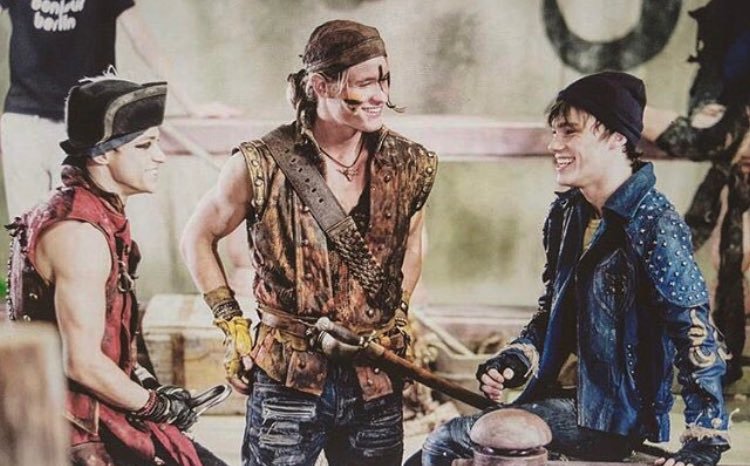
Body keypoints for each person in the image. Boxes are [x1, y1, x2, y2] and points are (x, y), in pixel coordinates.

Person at [421, 72, 730, 466]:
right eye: (555, 132)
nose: (554, 144)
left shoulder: (655, 222)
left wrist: (705, 440)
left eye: (569, 132)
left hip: (611, 418)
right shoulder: (568, 214)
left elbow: (695, 335)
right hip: (555, 398)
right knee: (443, 447)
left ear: (617, 137)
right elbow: (552, 313)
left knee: (448, 441)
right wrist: (514, 361)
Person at [180, 19, 438, 466]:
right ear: (320, 85)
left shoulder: (409, 163)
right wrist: (232, 324)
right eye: (365, 83)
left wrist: (398, 312)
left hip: (375, 374)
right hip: (288, 374)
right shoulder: (261, 163)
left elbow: (412, 239)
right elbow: (197, 237)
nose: (379, 95)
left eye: (384, 81)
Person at [6, 76, 228, 466]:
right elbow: (81, 362)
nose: (159, 157)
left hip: (96, 406)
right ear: (101, 155)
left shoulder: (95, 212)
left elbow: (106, 336)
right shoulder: (80, 234)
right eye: (144, 145)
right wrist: (157, 406)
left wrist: (146, 385)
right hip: (75, 427)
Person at [0, 0, 239, 218]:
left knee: (81, 228)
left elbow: (142, 40)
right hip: (23, 122)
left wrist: (191, 105)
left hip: (84, 127)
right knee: (24, 231)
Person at [643, 0, 750, 385]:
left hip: (728, 134)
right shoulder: (729, 16)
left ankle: (722, 354)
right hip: (727, 130)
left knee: (731, 248)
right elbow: (707, 106)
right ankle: (722, 355)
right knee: (729, 248)